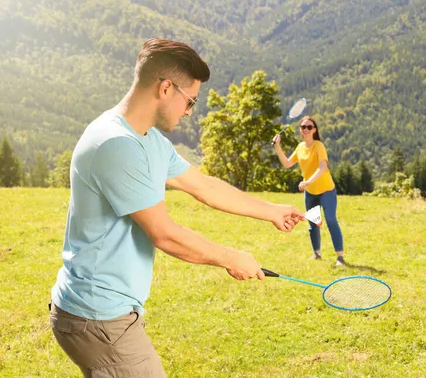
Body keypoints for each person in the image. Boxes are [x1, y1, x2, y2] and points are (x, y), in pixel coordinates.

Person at [50, 38, 304, 377]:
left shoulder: (149, 140)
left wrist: (271, 210)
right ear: (166, 88)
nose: (189, 111)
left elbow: (204, 187)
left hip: (105, 311)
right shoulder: (115, 144)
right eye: (191, 100)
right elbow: (165, 234)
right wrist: (233, 258)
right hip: (97, 316)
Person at [272, 116, 345, 266]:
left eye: (309, 127)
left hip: (326, 190)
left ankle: (340, 257)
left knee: (331, 220)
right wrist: (277, 147)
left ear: (314, 130)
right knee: (313, 223)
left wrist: (307, 181)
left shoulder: (318, 146)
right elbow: (287, 164)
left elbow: (322, 168)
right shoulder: (300, 148)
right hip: (310, 192)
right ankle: (317, 253)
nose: (305, 129)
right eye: (303, 127)